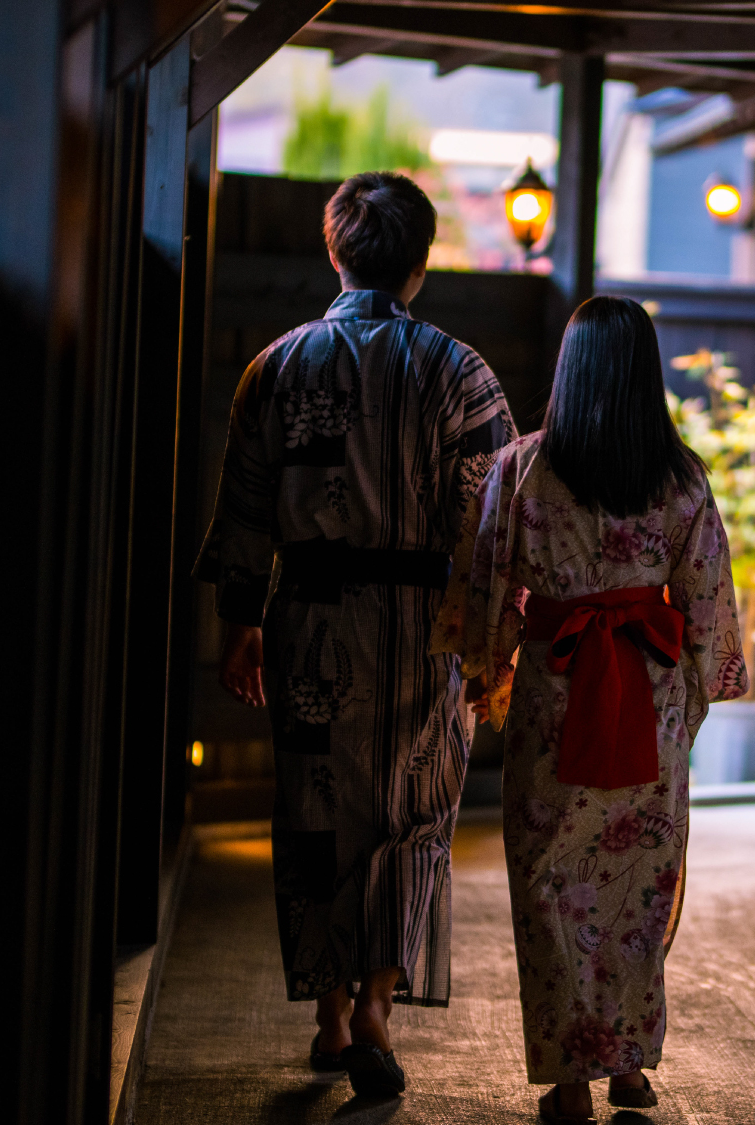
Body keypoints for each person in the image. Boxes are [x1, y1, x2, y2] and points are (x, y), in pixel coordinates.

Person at [194, 170, 516, 1098]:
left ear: (333, 252)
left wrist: (240, 622)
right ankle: (379, 1000)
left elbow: (246, 509)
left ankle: (330, 1017)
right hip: (425, 626)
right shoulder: (461, 370)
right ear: (422, 264)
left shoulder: (278, 364)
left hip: (312, 618)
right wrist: (489, 644)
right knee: (414, 815)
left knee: (314, 810)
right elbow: (493, 517)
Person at [431, 296, 746, 1124]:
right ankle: (630, 1068)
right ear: (646, 375)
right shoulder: (681, 477)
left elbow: (489, 579)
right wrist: (699, 693)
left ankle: (569, 1079)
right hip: (646, 695)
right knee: (639, 884)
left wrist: (487, 670)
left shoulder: (523, 468)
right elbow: (708, 599)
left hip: (555, 693)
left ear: (570, 370)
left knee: (549, 886)